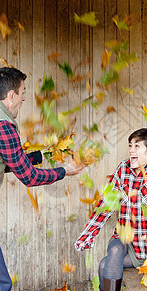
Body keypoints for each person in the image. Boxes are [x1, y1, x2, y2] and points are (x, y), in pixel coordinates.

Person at [0, 67, 84, 290]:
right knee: (2, 283)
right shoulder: (4, 125)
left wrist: (41, 155)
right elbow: (28, 177)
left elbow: (8, 160)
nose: (24, 97)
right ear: (11, 96)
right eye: (22, 92)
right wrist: (65, 171)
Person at [75, 128, 147, 291]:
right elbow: (105, 205)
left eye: (137, 146)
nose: (131, 150)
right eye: (130, 145)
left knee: (105, 265)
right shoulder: (123, 168)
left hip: (144, 245)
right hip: (123, 236)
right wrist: (87, 236)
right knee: (116, 248)